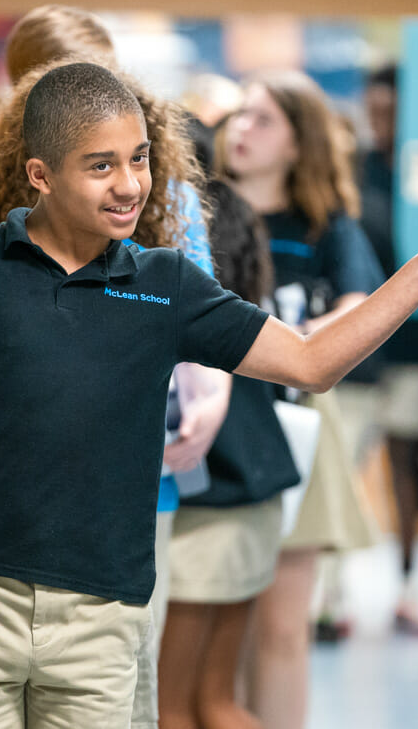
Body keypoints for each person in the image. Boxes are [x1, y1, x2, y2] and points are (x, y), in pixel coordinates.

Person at [0, 60, 418, 729]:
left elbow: (310, 362)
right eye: (101, 166)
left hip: (99, 617)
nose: (130, 185)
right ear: (40, 174)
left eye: (139, 159)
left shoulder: (167, 283)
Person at [0, 8, 231, 729]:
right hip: (12, 480)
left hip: (136, 466)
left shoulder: (167, 195)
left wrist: (212, 393)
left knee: (127, 668)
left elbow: (207, 317)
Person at [219, 69, 383, 729]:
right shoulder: (196, 212)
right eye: (239, 114)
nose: (241, 129)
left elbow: (357, 307)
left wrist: (285, 343)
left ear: (298, 141)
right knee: (215, 616)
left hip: (295, 424)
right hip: (212, 426)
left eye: (263, 119)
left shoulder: (326, 225)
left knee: (284, 626)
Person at [157, 141, 291, 729]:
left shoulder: (181, 219)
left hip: (203, 501)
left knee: (175, 707)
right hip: (253, 489)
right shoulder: (233, 213)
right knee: (220, 698)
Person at [356, 64, 418, 637]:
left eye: (388, 111)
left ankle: (411, 583)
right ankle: (330, 592)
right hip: (359, 345)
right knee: (343, 466)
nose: (380, 121)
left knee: (405, 466)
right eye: (373, 111)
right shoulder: (354, 172)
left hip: (415, 344)